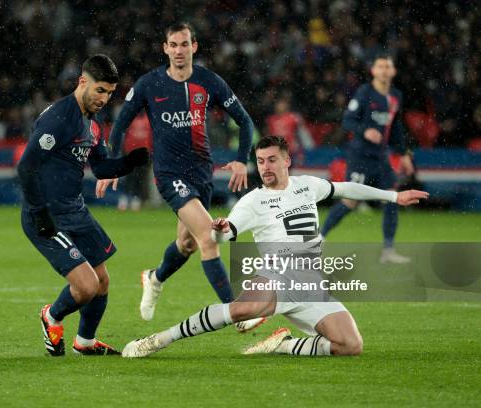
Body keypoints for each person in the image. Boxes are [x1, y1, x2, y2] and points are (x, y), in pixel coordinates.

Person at [121, 136, 428, 358]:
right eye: (260, 161)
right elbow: (224, 236)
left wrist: (393, 197)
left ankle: (284, 345)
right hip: (278, 275)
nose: (265, 167)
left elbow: (346, 188)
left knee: (350, 345)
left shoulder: (308, 185)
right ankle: (158, 340)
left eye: (271, 160)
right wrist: (219, 231)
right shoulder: (254, 200)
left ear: (286, 160)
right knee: (244, 309)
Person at [96, 22, 262, 331]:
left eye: (184, 44)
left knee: (185, 244)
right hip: (169, 173)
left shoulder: (209, 82)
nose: (179, 50)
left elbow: (244, 120)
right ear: (165, 48)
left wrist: (241, 160)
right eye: (173, 45)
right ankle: (238, 311)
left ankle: (154, 277)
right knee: (209, 239)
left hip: (201, 173)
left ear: (194, 47)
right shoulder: (149, 84)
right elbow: (120, 124)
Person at [17, 55, 149, 356]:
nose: (104, 98)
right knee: (86, 286)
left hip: (74, 210)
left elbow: (101, 168)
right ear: (82, 82)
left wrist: (128, 163)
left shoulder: (93, 121)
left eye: (109, 93)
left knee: (102, 281)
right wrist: (39, 214)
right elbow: (27, 167)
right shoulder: (60, 118)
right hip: (48, 215)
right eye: (100, 90)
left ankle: (85, 342)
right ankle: (51, 316)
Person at [321, 54, 415, 263]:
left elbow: (396, 128)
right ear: (373, 71)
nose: (383, 70)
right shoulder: (365, 93)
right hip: (360, 156)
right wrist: (366, 131)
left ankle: (388, 251)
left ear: (393, 71)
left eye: (387, 66)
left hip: (381, 157)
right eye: (380, 66)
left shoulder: (396, 96)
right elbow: (348, 120)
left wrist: (404, 154)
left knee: (392, 197)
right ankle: (318, 238)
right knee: (350, 201)